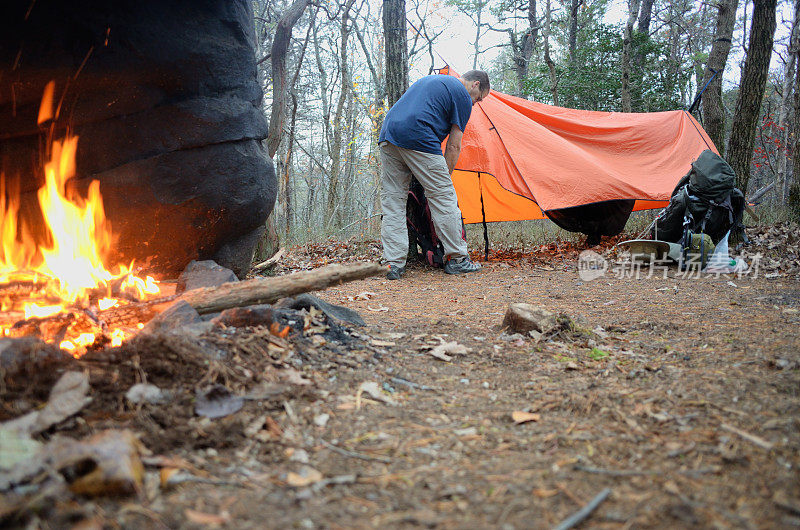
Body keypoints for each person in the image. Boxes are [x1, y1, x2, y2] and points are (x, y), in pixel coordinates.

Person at [378, 70, 490, 280]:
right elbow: (454, 146)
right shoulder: (463, 96)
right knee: (444, 198)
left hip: (388, 134)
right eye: (479, 99)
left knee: (393, 201)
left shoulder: (432, 80)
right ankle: (457, 259)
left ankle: (393, 264)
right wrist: (442, 181)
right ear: (475, 85)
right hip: (418, 134)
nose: (476, 103)